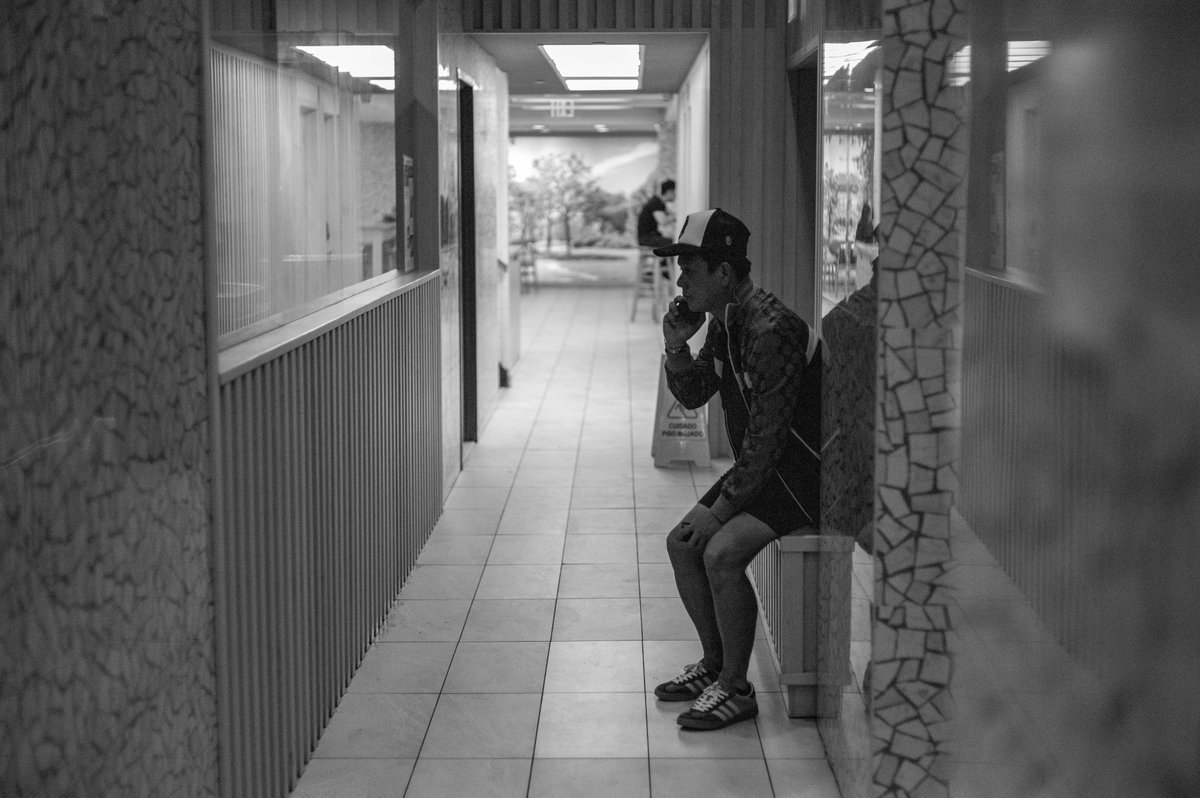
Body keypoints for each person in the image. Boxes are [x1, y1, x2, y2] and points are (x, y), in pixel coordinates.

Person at [652, 208, 822, 731]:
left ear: (725, 273)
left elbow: (771, 441)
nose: (681, 279)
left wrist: (721, 510)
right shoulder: (729, 319)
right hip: (767, 467)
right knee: (683, 543)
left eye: (692, 268)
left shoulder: (771, 329)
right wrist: (677, 346)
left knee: (720, 553)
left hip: (804, 476)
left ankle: (736, 688)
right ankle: (714, 666)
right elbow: (696, 392)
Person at [637, 179, 676, 249]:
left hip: (649, 237)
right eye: (675, 192)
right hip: (646, 239)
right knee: (675, 243)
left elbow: (669, 214)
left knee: (673, 240)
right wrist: (676, 216)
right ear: (669, 192)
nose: (676, 195)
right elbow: (662, 220)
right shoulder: (656, 203)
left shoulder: (659, 203)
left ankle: (664, 260)